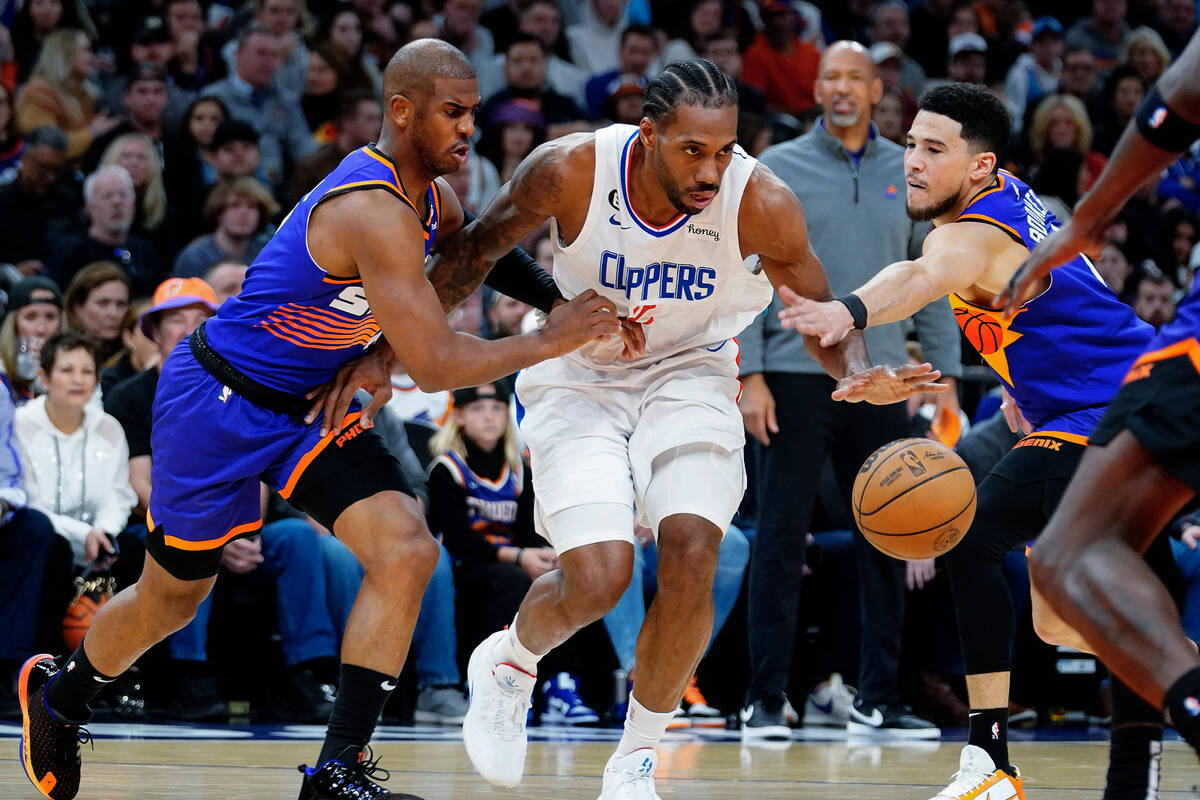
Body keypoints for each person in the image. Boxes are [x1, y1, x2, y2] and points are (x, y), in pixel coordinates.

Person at [17, 37, 621, 800]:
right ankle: (61, 696)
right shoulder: (370, 207)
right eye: (454, 113)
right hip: (217, 402)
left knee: (406, 549)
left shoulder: (432, 196)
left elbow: (479, 252)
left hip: (311, 403)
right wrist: (551, 339)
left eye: (473, 112)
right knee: (175, 598)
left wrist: (555, 304)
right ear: (402, 112)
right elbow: (434, 365)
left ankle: (335, 772)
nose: (470, 129)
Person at [428, 57, 945, 797]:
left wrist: (855, 371)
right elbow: (474, 250)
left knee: (695, 546)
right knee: (600, 576)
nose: (711, 170)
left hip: (692, 372)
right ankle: (510, 661)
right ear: (647, 135)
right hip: (581, 371)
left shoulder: (760, 200)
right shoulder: (572, 168)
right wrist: (388, 351)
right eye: (692, 150)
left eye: (724, 150)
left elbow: (817, 310)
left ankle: (637, 757)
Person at [778, 82, 1167, 800]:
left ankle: (988, 758)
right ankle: (1180, 678)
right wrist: (1026, 388)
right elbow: (1045, 308)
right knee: (1060, 622)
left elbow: (926, 275)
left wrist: (850, 310)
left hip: (1116, 410)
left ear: (982, 167)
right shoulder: (1008, 201)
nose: (912, 162)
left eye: (934, 149)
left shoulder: (970, 233)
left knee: (975, 532)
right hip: (1098, 405)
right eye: (911, 145)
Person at [738, 41, 961, 741]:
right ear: (816, 87)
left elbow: (927, 278)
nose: (841, 88)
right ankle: (765, 698)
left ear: (875, 90)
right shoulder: (777, 166)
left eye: (854, 78)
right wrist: (748, 372)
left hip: (884, 379)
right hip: (795, 378)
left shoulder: (909, 167)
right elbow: (746, 270)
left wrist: (946, 380)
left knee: (893, 539)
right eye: (829, 76)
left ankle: (878, 699)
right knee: (778, 539)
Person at [999, 19, 1200, 785]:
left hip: (1161, 369)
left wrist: (1084, 220)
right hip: (1074, 405)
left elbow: (1176, 99)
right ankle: (1131, 777)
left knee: (1067, 555)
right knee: (1133, 554)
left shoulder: (996, 220)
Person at [428, 380, 597, 724]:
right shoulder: (447, 469)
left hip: (511, 562)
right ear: (458, 416)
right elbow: (459, 540)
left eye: (496, 409)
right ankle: (494, 682)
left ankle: (559, 685)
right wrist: (520, 557)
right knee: (513, 582)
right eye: (478, 409)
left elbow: (528, 533)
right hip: (462, 566)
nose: (489, 417)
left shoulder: (519, 470)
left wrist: (548, 555)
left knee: (566, 580)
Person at [48, 165, 163, 296]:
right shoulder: (70, 251)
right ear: (89, 208)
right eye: (108, 196)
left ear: (133, 204)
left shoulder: (146, 251)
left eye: (123, 195)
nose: (117, 202)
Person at [15, 29, 118, 161]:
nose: (93, 57)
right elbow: (45, 147)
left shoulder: (86, 93)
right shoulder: (39, 93)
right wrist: (93, 132)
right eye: (86, 50)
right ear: (65, 54)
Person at [0, 125, 77, 275]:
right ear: (24, 160)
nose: (51, 177)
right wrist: (12, 271)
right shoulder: (3, 203)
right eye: (43, 168)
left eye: (57, 170)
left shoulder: (68, 201)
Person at [173, 177, 278, 279]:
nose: (244, 213)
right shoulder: (195, 258)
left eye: (251, 206)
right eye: (234, 205)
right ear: (219, 212)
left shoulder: (265, 257)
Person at [0, 277, 65, 405]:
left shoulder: (77, 369)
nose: (41, 329)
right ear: (13, 324)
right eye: (31, 317)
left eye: (50, 317)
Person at [63, 262, 131, 365]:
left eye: (121, 304)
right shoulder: (59, 352)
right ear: (77, 306)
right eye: (103, 303)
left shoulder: (134, 358)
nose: (113, 314)